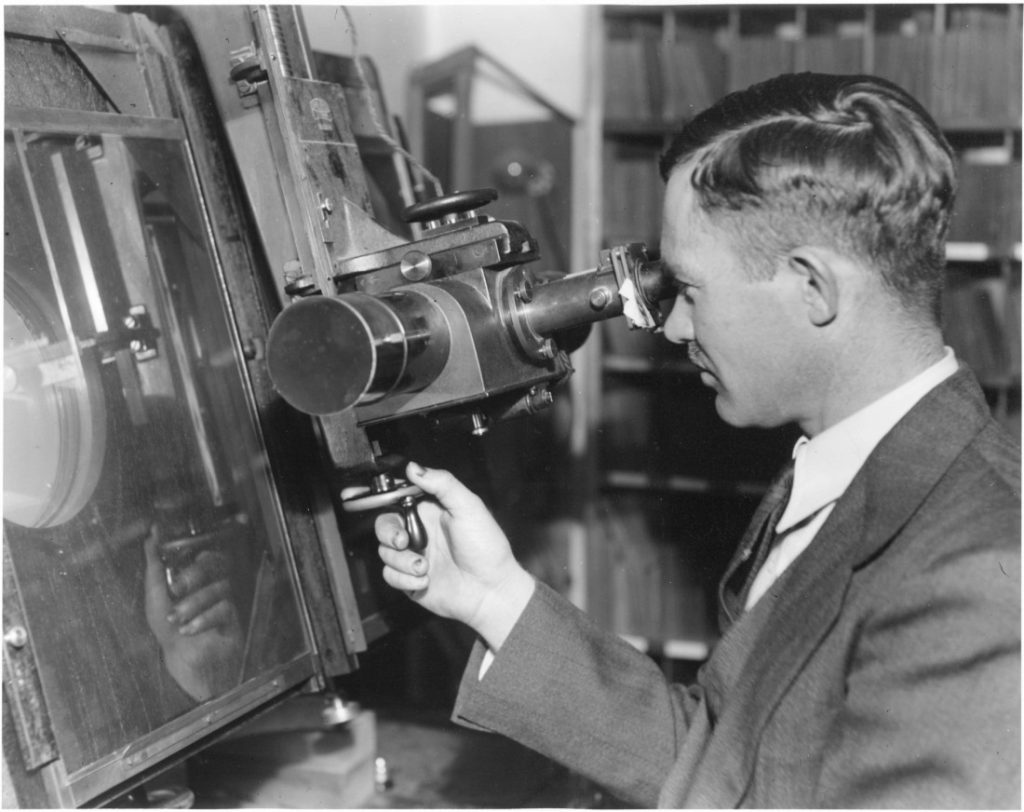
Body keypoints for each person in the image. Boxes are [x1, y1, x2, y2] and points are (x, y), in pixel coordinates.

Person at [373, 73, 1021, 808]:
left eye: (690, 289)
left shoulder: (980, 574)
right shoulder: (860, 474)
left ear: (814, 288)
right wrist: (494, 599)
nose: (676, 328)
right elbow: (731, 767)